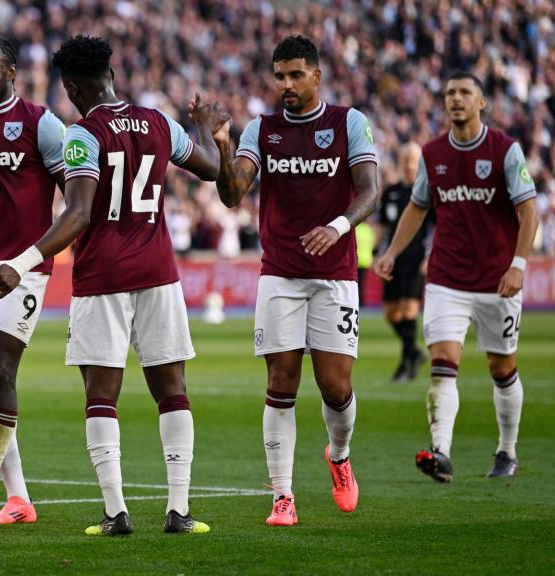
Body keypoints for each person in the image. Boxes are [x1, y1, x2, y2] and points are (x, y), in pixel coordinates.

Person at [0, 35, 222, 536]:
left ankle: (116, 513)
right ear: (110, 74)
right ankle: (179, 510)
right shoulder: (158, 121)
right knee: (172, 390)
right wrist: (205, 128)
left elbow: (80, 212)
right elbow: (214, 170)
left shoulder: (82, 134)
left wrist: (19, 263)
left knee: (101, 396)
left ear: (70, 86)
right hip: (159, 271)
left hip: (103, 277)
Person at [212, 35, 379, 526]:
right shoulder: (261, 130)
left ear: (316, 77)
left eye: (295, 75)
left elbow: (370, 191)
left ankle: (339, 454)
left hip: (334, 275)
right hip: (280, 274)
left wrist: (338, 227)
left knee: (334, 386)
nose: (285, 84)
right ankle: (282, 496)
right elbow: (232, 193)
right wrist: (223, 148)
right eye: (279, 75)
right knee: (280, 383)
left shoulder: (348, 122)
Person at [374, 71, 538, 481]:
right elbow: (417, 206)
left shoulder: (505, 151)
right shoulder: (432, 154)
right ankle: (441, 452)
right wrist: (391, 251)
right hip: (447, 278)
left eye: (465, 92)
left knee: (502, 369)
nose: (456, 99)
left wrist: (518, 264)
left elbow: (529, 210)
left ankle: (506, 451)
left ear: (481, 102)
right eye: (450, 93)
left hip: (497, 279)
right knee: (443, 365)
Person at [0, 34, 66, 529]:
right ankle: (19, 498)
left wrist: (28, 261)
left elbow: (78, 199)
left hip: (20, 270)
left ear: (11, 73)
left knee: (1, 373)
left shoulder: (41, 125)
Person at [378, 142, 429, 382]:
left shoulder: (426, 192)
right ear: (400, 163)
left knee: (409, 310)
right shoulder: (391, 192)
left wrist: (430, 255)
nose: (410, 165)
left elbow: (436, 227)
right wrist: (378, 252)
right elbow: (382, 226)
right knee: (391, 314)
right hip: (392, 258)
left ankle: (405, 364)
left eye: (414, 160)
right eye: (406, 160)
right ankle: (414, 353)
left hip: (416, 258)